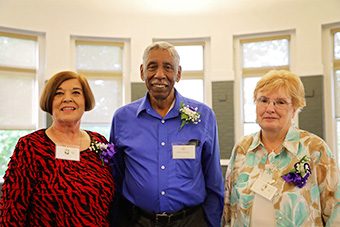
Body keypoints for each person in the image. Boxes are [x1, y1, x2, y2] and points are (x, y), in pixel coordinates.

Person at [110, 41, 224, 227]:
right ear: (142, 72)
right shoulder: (123, 118)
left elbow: (213, 179)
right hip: (137, 220)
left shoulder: (203, 116)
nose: (159, 75)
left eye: (168, 68)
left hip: (190, 221)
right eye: (152, 67)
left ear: (178, 74)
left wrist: (212, 222)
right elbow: (117, 174)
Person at [222, 70, 340, 226]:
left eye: (280, 102)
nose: (270, 109)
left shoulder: (315, 149)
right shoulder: (242, 148)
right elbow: (228, 209)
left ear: (294, 108)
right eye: (263, 100)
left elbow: (335, 211)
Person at [0, 71, 115, 226]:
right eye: (59, 93)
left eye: (76, 92)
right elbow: (12, 212)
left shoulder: (100, 142)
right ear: (49, 101)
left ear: (85, 100)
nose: (67, 98)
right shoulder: (31, 146)